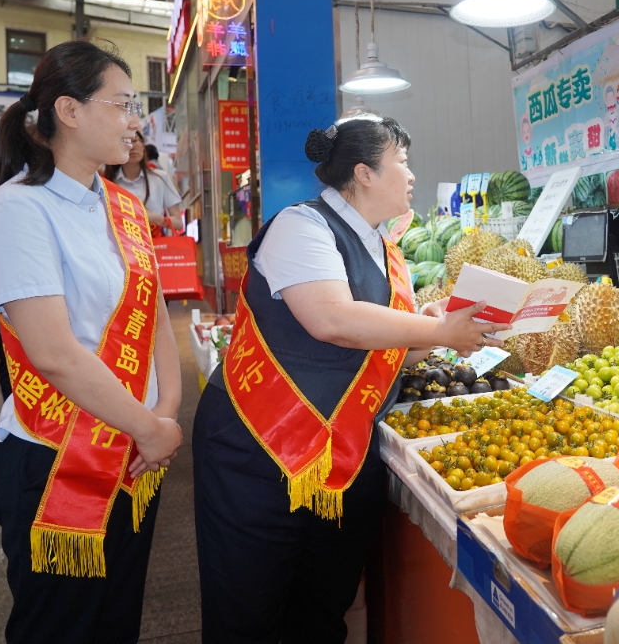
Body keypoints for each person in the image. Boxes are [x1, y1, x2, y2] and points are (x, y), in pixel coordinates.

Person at [193, 115, 509, 644]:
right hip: (258, 451)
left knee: (321, 610)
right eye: (402, 162)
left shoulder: (382, 247)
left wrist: (444, 331)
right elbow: (333, 321)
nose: (411, 174)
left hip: (338, 453)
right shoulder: (302, 226)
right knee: (247, 615)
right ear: (364, 173)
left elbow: (385, 355)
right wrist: (437, 327)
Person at [0, 40, 184, 643]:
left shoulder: (122, 206)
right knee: (61, 629)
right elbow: (55, 353)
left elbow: (154, 311)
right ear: (69, 110)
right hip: (53, 455)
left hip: (135, 451)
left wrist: (164, 412)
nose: (134, 121)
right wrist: (150, 428)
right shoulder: (18, 209)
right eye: (122, 104)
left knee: (118, 623)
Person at [105, 131, 181, 232]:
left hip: (154, 244)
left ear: (143, 146)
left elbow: (178, 223)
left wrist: (154, 218)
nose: (131, 146)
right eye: (125, 141)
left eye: (135, 140)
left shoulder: (160, 178)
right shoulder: (107, 184)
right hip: (121, 245)